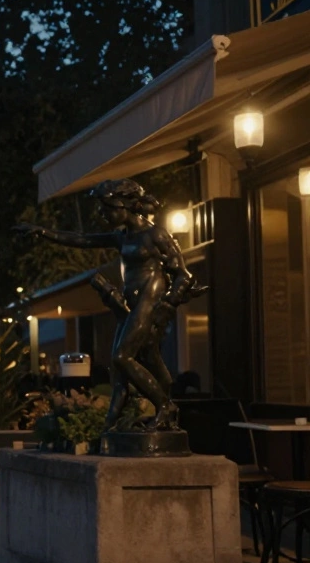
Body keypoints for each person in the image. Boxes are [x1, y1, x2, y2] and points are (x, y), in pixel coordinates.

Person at [14, 178, 201, 431]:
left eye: (107, 208)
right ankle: (111, 426)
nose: (103, 214)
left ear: (125, 205)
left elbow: (183, 274)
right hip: (131, 304)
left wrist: (167, 305)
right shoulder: (121, 237)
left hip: (150, 298)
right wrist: (43, 232)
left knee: (122, 356)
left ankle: (165, 406)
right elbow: (83, 239)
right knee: (122, 366)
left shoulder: (155, 234)